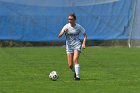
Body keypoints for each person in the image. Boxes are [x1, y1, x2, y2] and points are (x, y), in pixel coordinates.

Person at [58, 13, 87, 80]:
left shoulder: (79, 27)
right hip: (69, 46)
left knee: (75, 59)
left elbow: (85, 35)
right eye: (69, 19)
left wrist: (83, 43)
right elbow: (59, 36)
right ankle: (75, 72)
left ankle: (78, 77)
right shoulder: (66, 26)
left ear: (74, 20)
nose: (69, 20)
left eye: (71, 19)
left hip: (77, 44)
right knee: (70, 65)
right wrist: (63, 32)